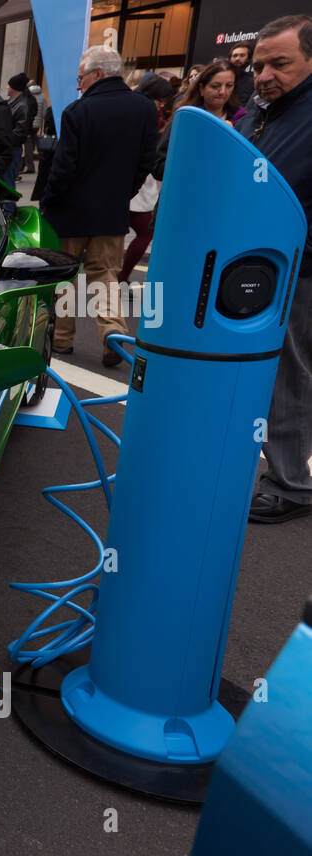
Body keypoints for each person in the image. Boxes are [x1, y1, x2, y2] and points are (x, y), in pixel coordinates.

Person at [237, 15, 312, 523]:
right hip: (257, 262)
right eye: (260, 64)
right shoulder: (264, 112)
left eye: (280, 63)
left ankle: (291, 486)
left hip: (300, 268)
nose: (264, 74)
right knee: (263, 370)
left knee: (290, 374)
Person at [39, 45, 158, 368]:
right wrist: (124, 191)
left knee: (64, 274)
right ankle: (112, 334)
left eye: (81, 78)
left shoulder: (78, 112)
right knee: (104, 273)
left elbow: (63, 168)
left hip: (70, 212)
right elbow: (148, 160)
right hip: (111, 210)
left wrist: (48, 201)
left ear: (97, 74)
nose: (78, 85)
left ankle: (62, 339)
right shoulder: (145, 109)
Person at [117, 73, 174, 284]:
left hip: (135, 184)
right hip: (135, 184)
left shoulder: (135, 110)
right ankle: (118, 276)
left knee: (134, 233)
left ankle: (117, 276)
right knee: (142, 232)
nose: (161, 105)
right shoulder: (145, 115)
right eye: (159, 100)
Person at [4, 73, 38, 183]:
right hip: (9, 147)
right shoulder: (13, 103)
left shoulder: (22, 105)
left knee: (7, 183)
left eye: (9, 85)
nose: (7, 87)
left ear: (14, 88)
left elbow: (20, 131)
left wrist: (3, 137)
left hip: (12, 148)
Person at [22, 83, 47, 173]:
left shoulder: (27, 96)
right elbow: (44, 111)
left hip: (29, 123)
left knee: (28, 145)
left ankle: (28, 165)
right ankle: (26, 163)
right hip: (37, 124)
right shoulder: (43, 96)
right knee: (31, 144)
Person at [231, 40, 256, 107]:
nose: (237, 59)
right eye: (235, 56)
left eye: (242, 55)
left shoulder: (253, 82)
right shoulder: (220, 76)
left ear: (249, 59)